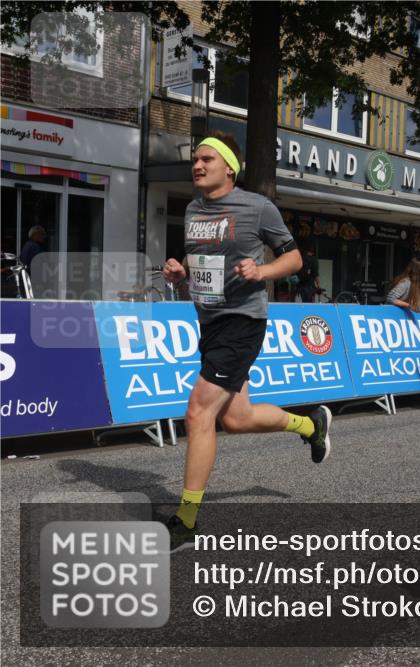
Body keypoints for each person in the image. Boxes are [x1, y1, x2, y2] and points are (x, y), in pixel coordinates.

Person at [160, 132, 332, 550]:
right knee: (236, 419)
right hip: (210, 322)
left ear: (228, 168)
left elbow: (294, 258)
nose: (197, 166)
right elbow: (199, 256)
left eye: (206, 159)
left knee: (198, 413)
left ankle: (185, 520)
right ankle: (311, 425)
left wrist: (263, 272)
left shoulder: (258, 207)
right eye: (195, 160)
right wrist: (180, 272)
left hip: (242, 322)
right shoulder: (193, 209)